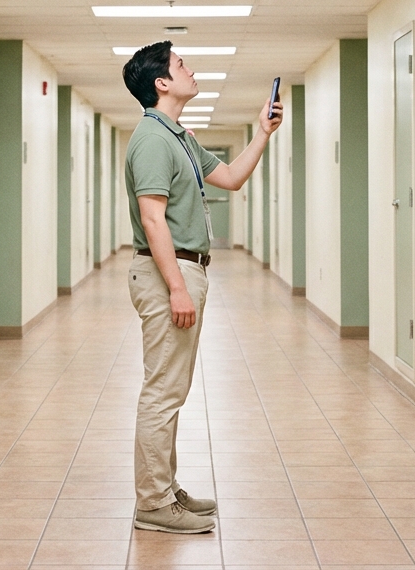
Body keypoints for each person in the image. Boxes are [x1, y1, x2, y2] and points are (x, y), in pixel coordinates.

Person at [121, 41, 283, 533]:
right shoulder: (153, 140)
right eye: (180, 65)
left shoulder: (179, 137)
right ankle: (153, 503)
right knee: (162, 392)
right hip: (167, 272)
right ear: (161, 83)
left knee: (171, 389)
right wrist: (176, 287)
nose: (190, 70)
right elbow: (153, 218)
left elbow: (230, 177)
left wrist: (262, 134)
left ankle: (165, 488)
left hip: (184, 269)